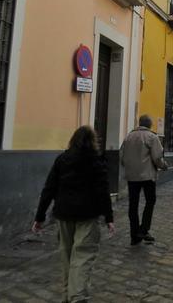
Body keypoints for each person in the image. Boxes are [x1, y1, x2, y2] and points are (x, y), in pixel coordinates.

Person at [32, 126, 114, 303]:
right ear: (93, 141)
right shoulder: (96, 162)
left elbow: (49, 189)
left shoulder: (62, 159)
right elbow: (102, 191)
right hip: (87, 215)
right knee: (82, 256)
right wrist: (109, 218)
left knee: (67, 257)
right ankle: (76, 297)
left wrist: (39, 216)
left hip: (64, 214)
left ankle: (67, 295)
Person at [120, 115, 168, 245]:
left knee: (133, 205)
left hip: (132, 176)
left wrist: (129, 168)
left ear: (139, 123)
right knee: (150, 201)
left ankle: (134, 235)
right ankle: (144, 229)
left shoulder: (128, 136)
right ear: (150, 125)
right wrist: (163, 166)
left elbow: (122, 156)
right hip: (147, 176)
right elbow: (157, 157)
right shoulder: (152, 137)